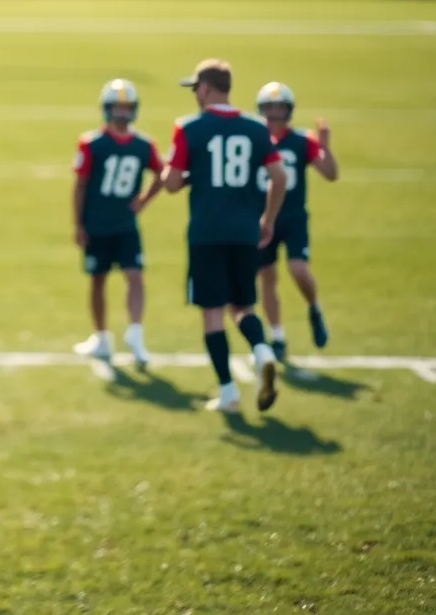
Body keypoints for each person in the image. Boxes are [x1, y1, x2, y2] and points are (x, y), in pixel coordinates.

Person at [162, 59, 288, 414]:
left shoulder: (188, 128)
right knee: (243, 306)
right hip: (245, 231)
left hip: (206, 232)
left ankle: (229, 392)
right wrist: (268, 219)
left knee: (212, 314)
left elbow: (170, 182)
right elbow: (279, 178)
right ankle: (262, 351)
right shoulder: (256, 128)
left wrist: (189, 176)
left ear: (205, 88)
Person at [72, 79, 164, 369]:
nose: (122, 113)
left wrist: (143, 201)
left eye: (127, 108)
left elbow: (163, 174)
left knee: (135, 277)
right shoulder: (91, 144)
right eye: (117, 107)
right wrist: (78, 224)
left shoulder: (144, 145)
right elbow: (80, 185)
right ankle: (101, 337)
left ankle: (135, 332)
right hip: (97, 223)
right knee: (97, 280)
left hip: (124, 224)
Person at [254, 82, 339, 360]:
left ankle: (313, 307)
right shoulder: (254, 139)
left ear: (288, 111)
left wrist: (325, 146)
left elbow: (330, 173)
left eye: (280, 108)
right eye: (270, 108)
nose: (275, 114)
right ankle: (277, 335)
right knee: (267, 277)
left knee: (298, 269)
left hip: (292, 217)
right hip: (263, 218)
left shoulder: (302, 140)